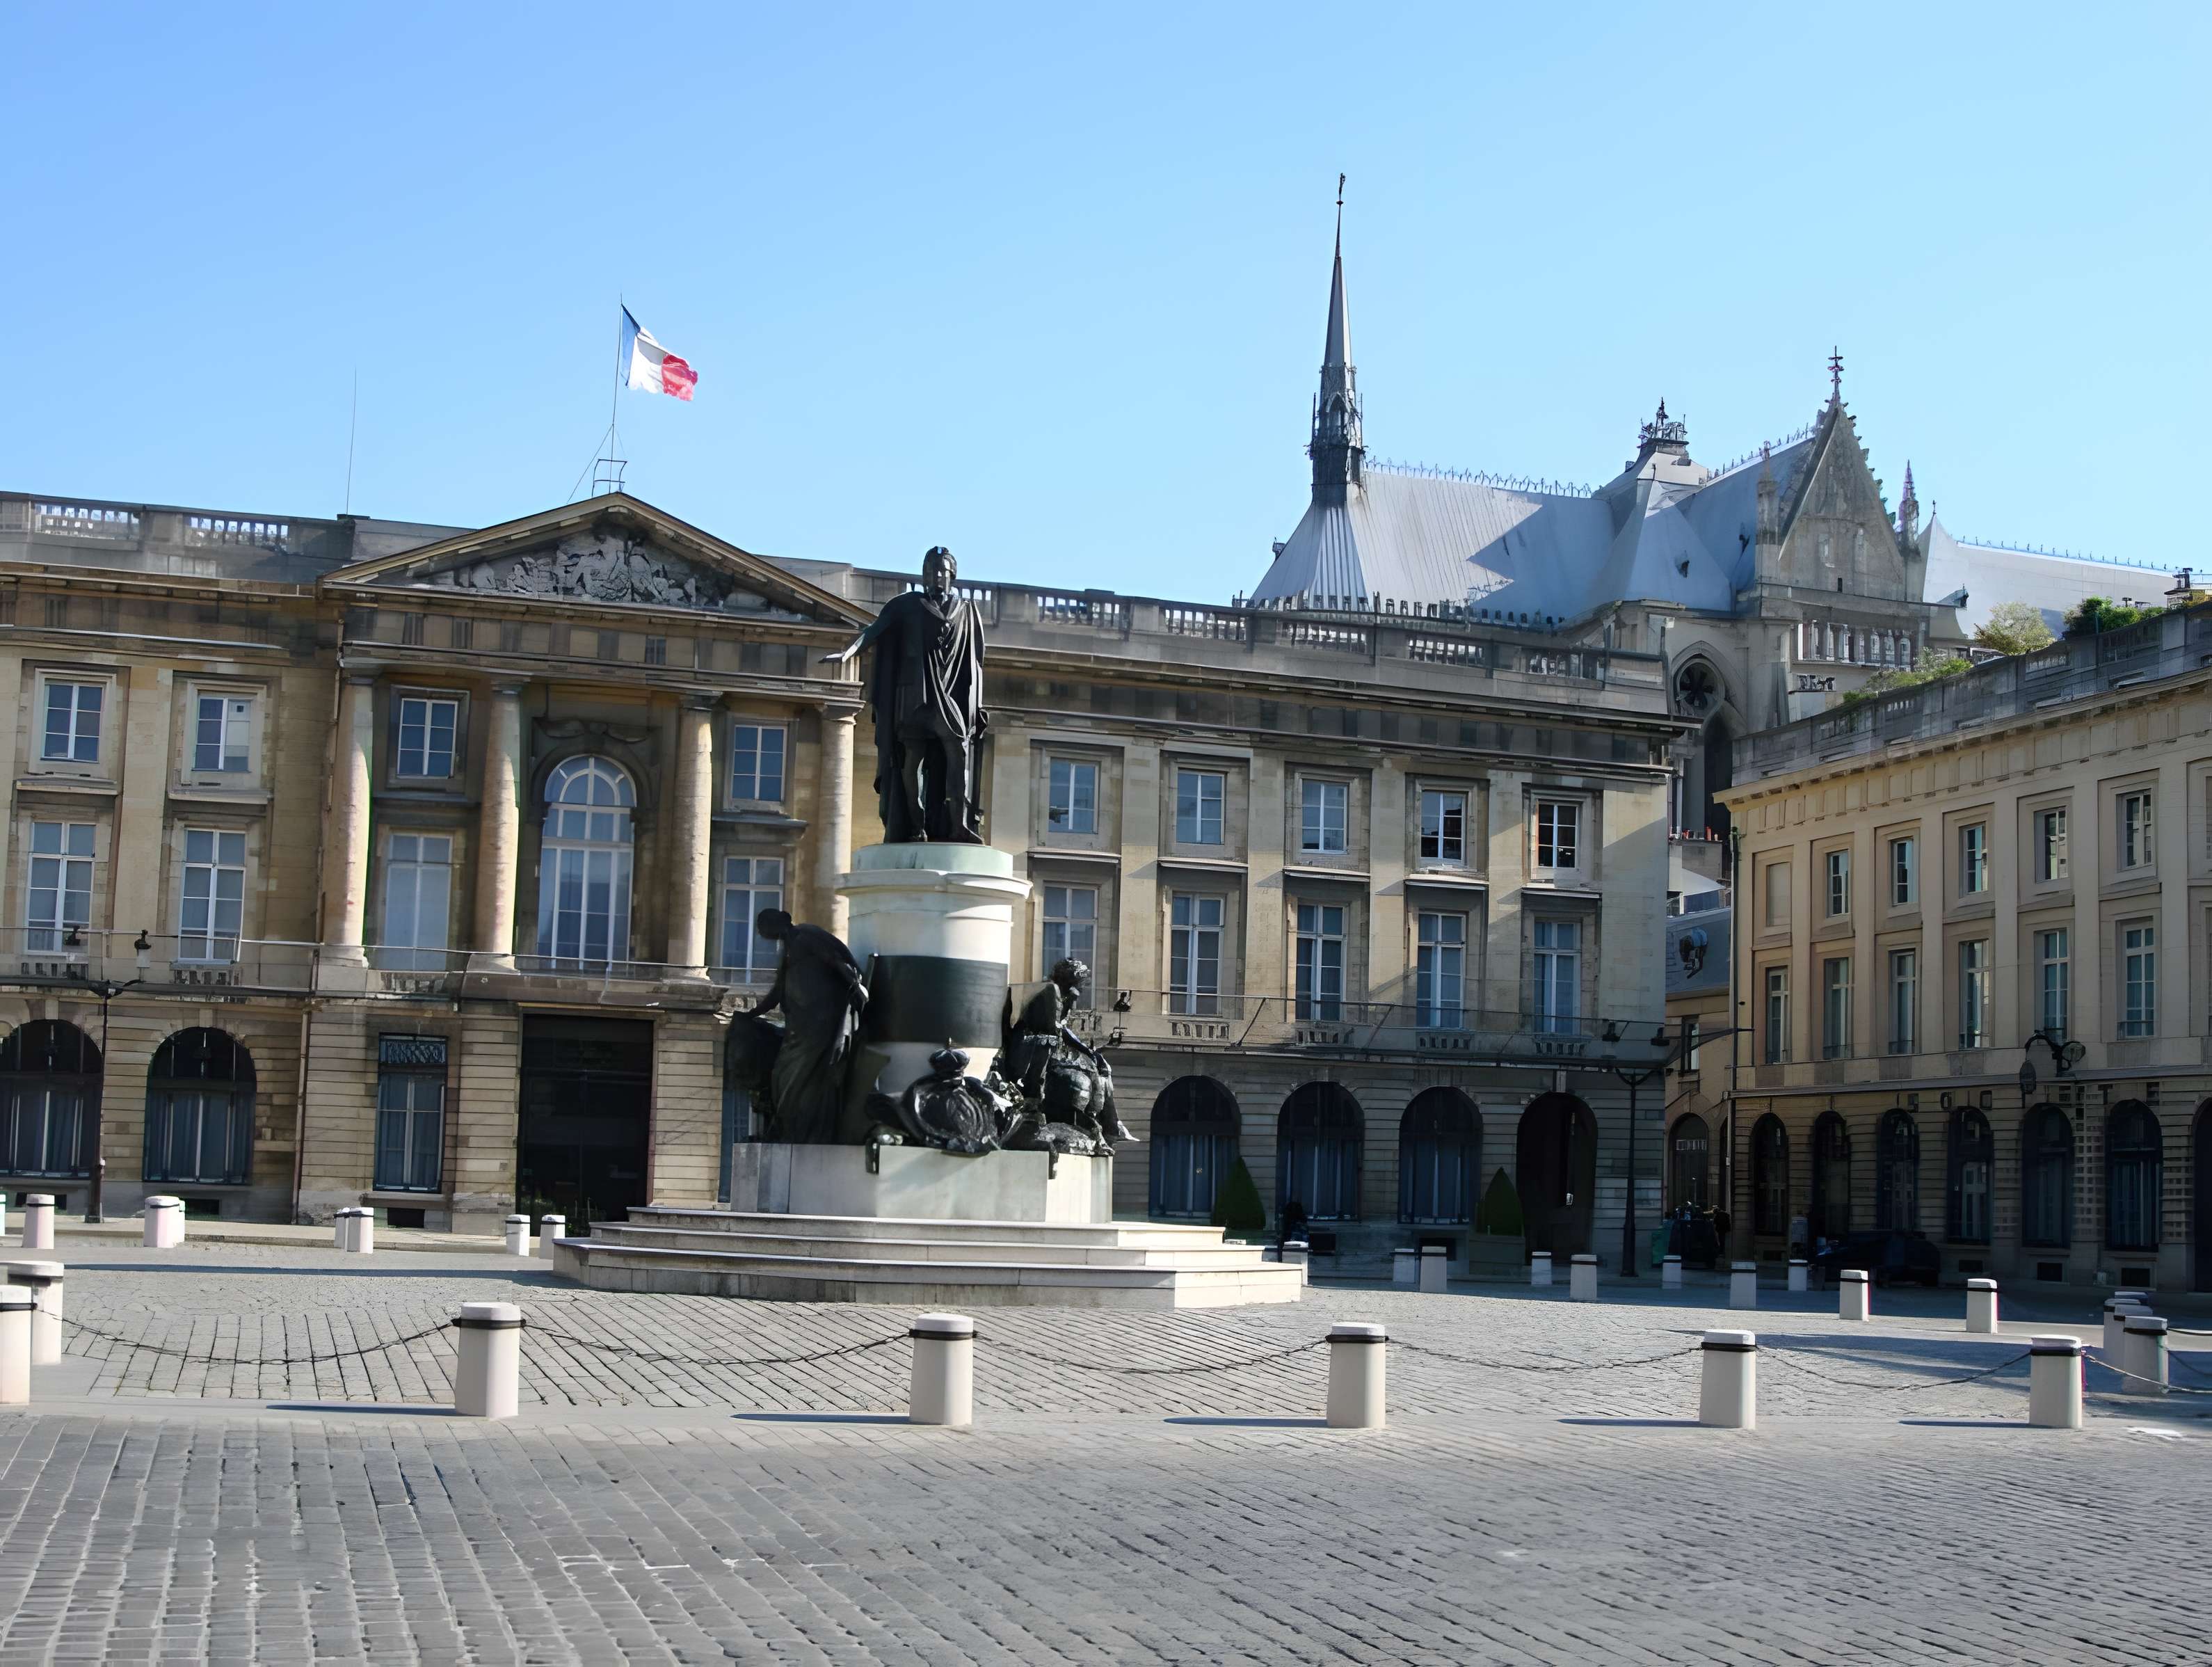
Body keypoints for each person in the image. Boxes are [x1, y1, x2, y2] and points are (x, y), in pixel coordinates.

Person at [822, 545, 988, 843]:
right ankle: (914, 821)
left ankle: (958, 823)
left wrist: (973, 705)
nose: (934, 576)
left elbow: (975, 662)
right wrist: (848, 653)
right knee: (912, 762)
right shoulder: (906, 605)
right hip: (914, 696)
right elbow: (874, 631)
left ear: (952, 576)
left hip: (949, 698)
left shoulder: (966, 611)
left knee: (958, 751)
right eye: (928, 571)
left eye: (940, 571)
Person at [745, 909, 869, 1144]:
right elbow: (778, 991)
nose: (761, 933)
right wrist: (751, 1014)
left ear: (775, 923)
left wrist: (855, 985)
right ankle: (792, 1126)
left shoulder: (805, 936)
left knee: (801, 1073)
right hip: (801, 1023)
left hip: (821, 1021)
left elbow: (835, 960)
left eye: (762, 927)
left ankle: (804, 1128)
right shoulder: (790, 947)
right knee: (782, 1074)